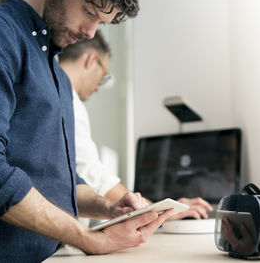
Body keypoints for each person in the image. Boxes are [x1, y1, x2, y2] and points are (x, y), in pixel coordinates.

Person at [0, 0, 174, 262]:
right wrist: (90, 240)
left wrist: (108, 207)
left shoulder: (59, 77)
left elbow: (64, 183)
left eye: (100, 22)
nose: (90, 32)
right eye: (88, 11)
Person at [58, 30, 213, 221]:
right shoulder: (67, 101)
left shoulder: (49, 94)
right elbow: (93, 176)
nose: (98, 87)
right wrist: (162, 212)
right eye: (103, 76)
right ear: (91, 60)